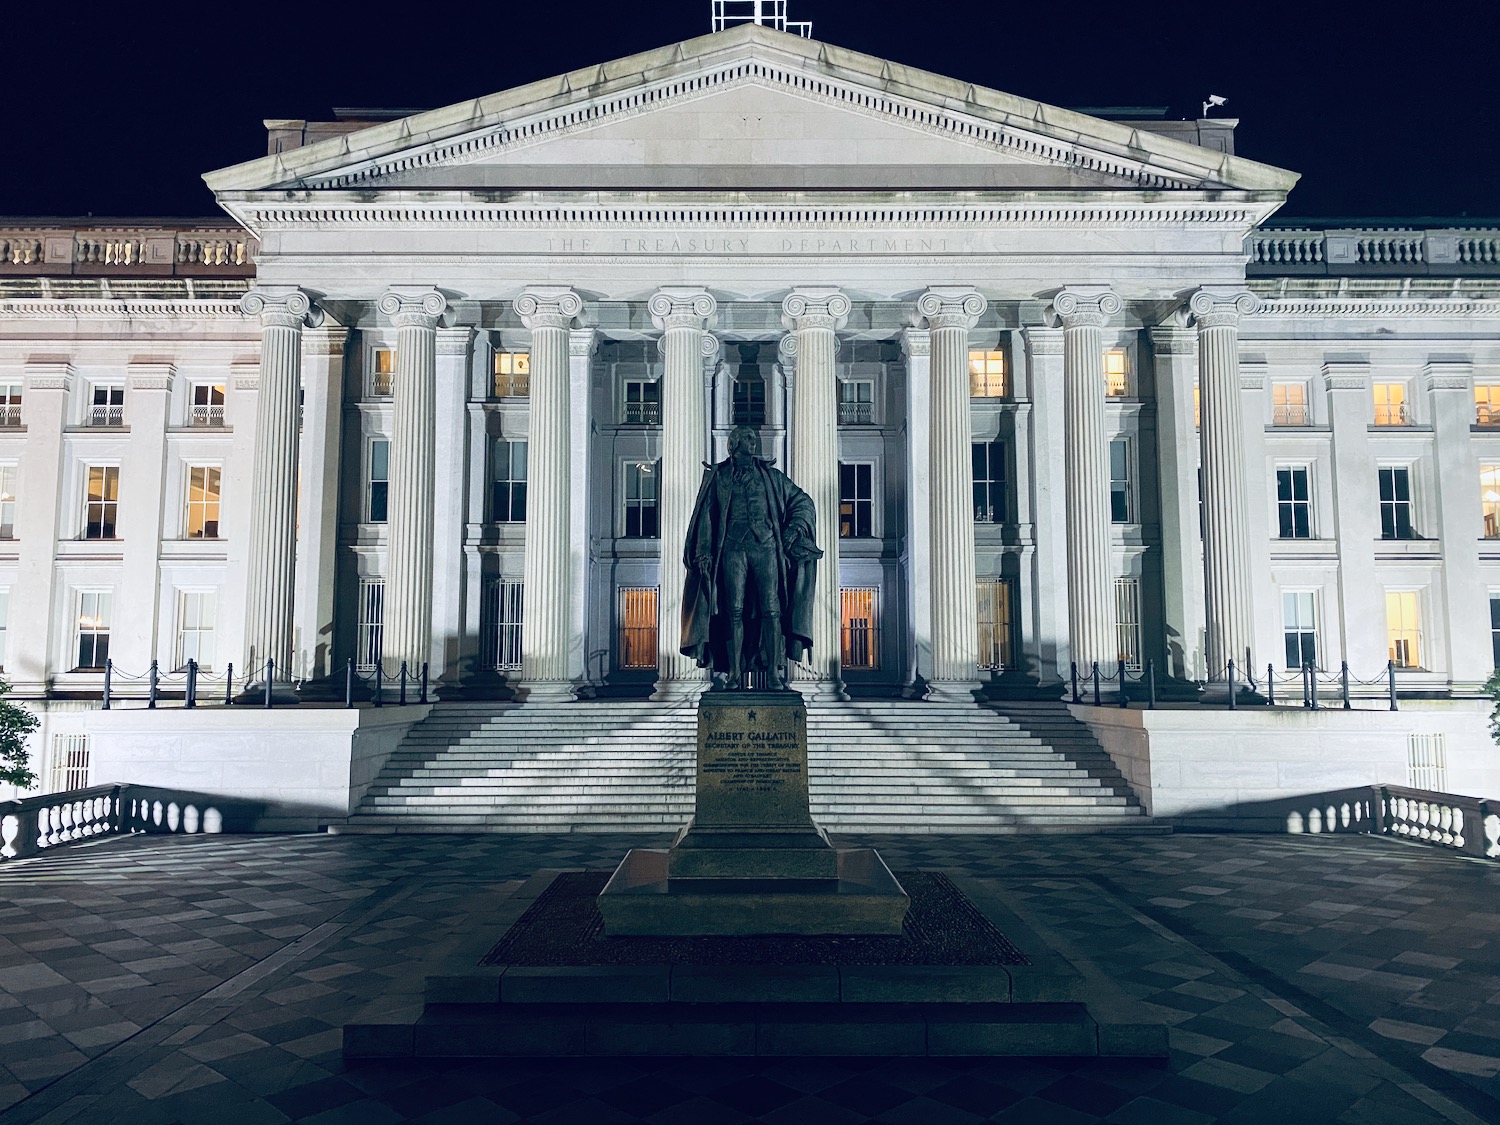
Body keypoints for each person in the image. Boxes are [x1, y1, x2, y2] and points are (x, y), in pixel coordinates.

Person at [681, 426, 822, 689]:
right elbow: (707, 518)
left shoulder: (771, 477)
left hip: (766, 547)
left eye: (754, 438)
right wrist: (702, 551)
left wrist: (793, 529)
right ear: (733, 444)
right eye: (747, 438)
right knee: (732, 610)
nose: (753, 442)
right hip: (732, 548)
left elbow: (803, 501)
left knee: (772, 610)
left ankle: (773, 674)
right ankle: (734, 673)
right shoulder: (719, 478)